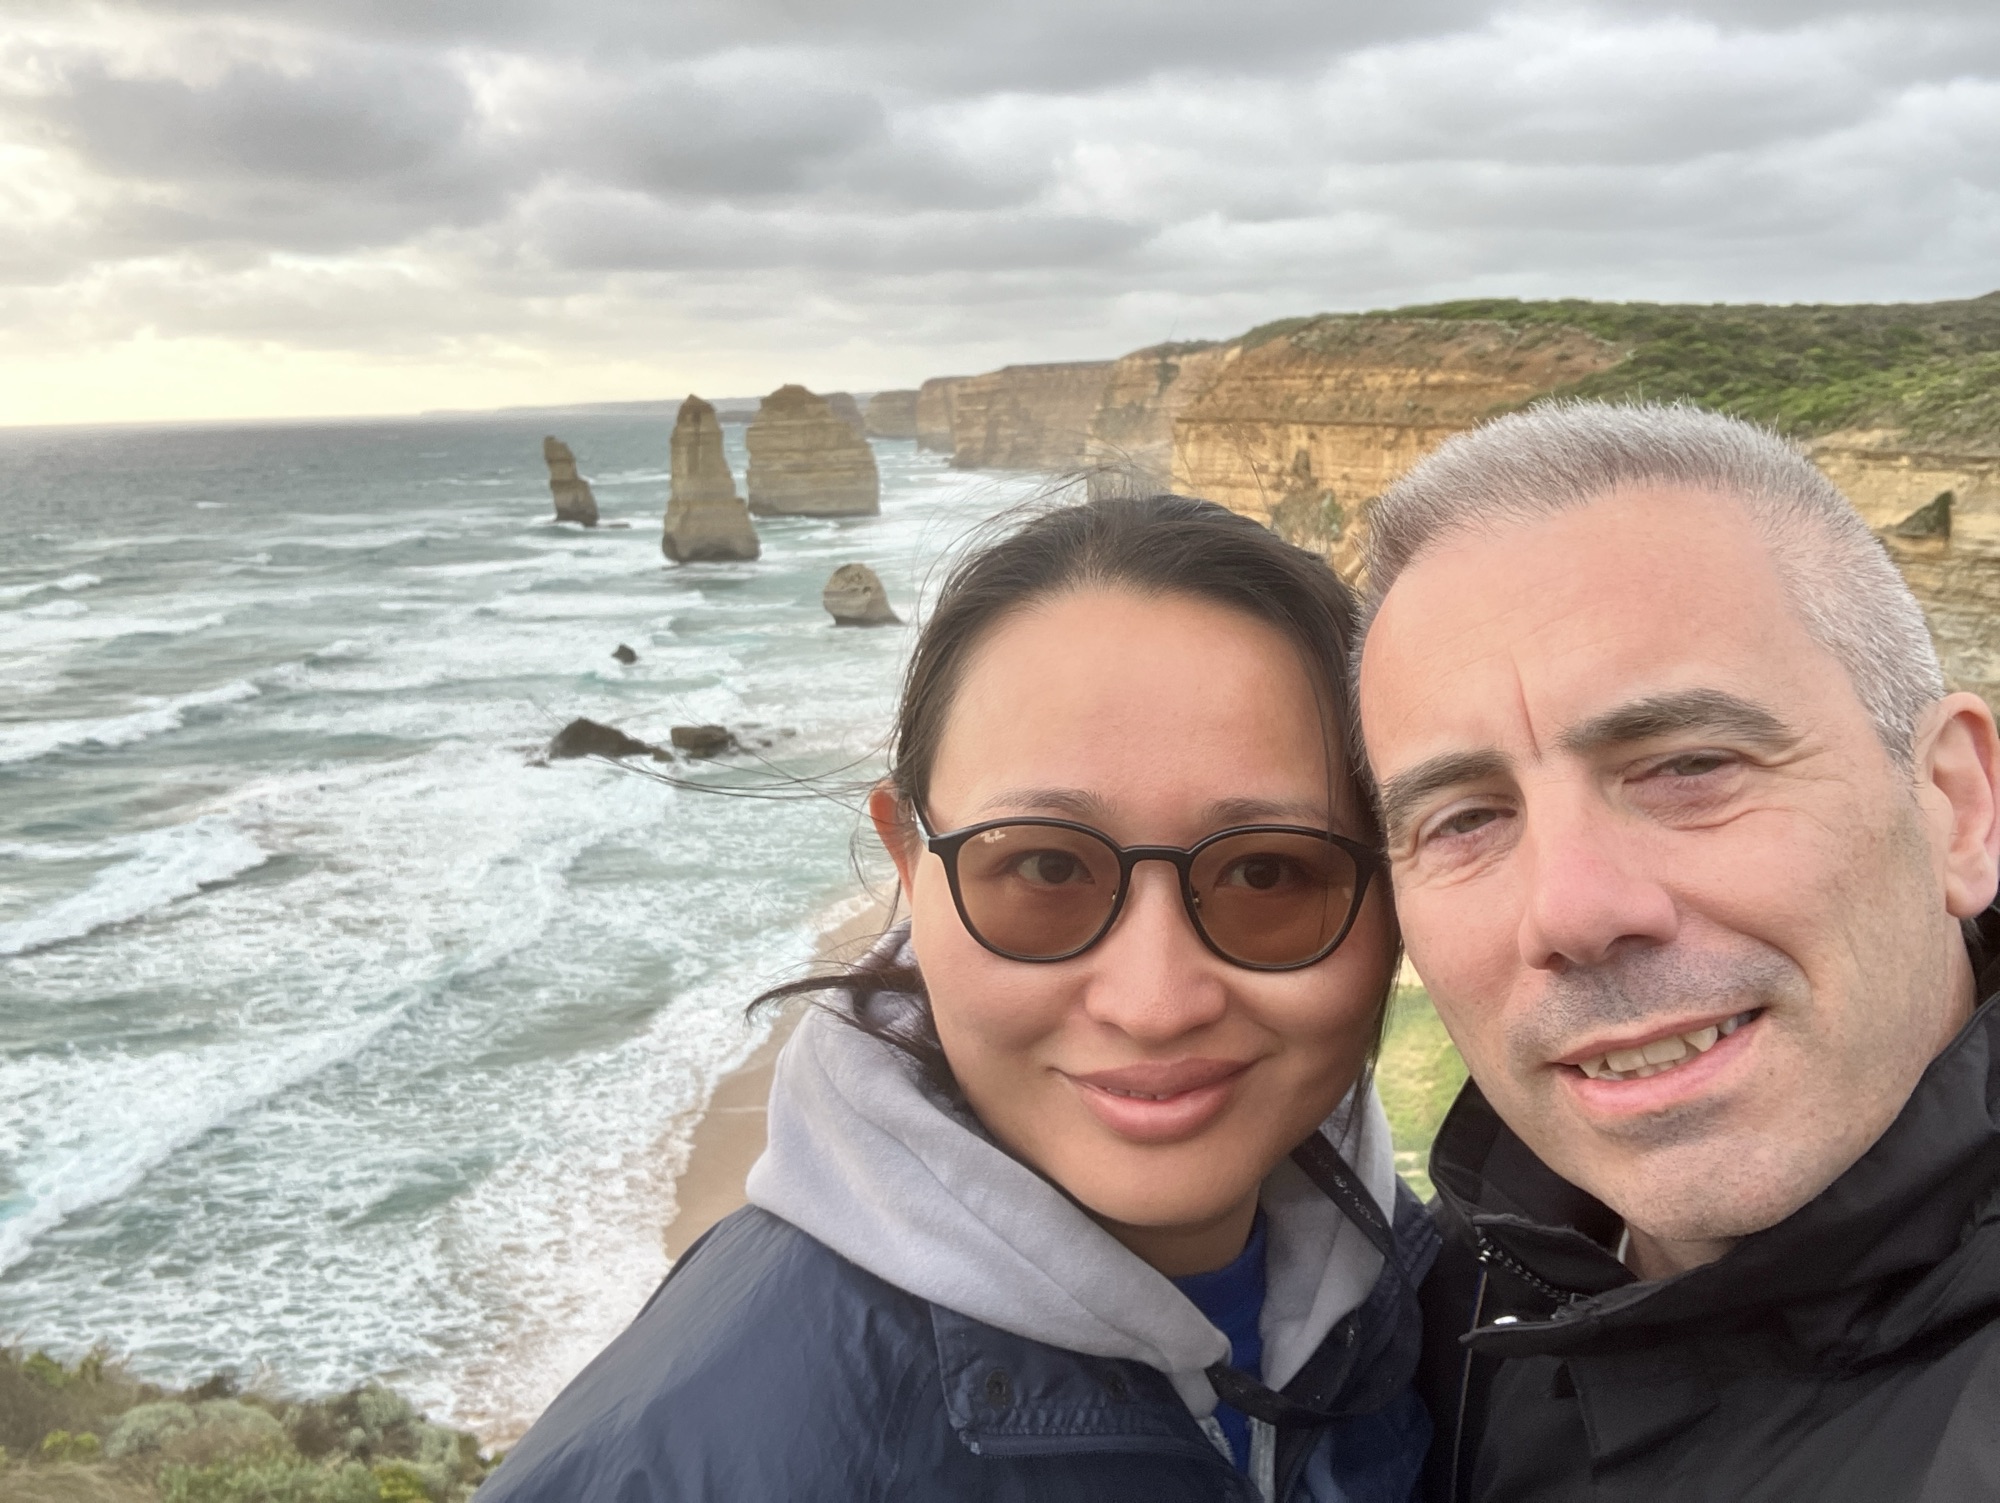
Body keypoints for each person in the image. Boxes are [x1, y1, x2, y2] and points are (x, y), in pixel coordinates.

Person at [477, 495, 1439, 1503]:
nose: (1153, 1003)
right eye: (1044, 868)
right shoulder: (682, 1462)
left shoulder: (1438, 1294)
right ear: (908, 862)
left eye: (1267, 874)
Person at [1353, 402, 2000, 1503]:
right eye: (1463, 820)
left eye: (1688, 765)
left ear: (1955, 805)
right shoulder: (1445, 1311)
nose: (1569, 910)